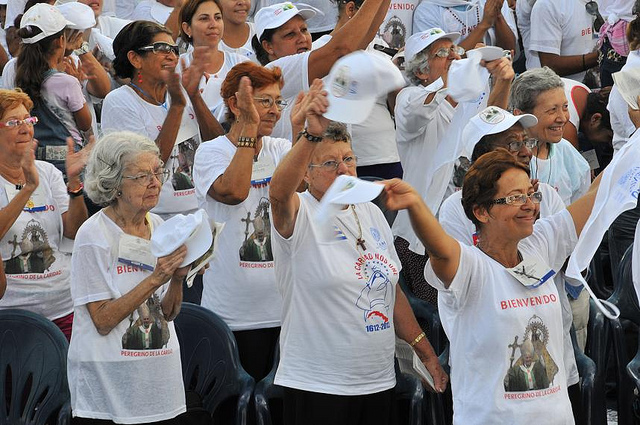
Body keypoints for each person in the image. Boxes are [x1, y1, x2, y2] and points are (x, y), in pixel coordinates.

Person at [268, 81, 448, 425]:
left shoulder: (370, 212)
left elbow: (391, 289)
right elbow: (278, 193)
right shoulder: (300, 212)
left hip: (378, 380)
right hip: (318, 385)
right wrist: (308, 136)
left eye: (349, 159)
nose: (344, 170)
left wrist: (425, 351)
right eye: (330, 164)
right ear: (307, 173)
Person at [379, 148, 602, 424]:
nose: (529, 205)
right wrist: (415, 204)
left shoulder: (540, 243)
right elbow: (440, 251)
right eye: (514, 197)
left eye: (530, 194)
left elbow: (597, 194)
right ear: (482, 212)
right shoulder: (470, 267)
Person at [68, 131, 189, 424]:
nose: (155, 183)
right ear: (114, 184)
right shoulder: (93, 235)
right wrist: (155, 279)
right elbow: (103, 321)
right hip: (110, 382)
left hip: (160, 379)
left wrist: (177, 279)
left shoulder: (159, 224)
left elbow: (169, 314)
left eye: (157, 172)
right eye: (141, 176)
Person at [393, 27, 513, 304]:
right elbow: (414, 112)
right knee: (442, 318)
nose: (455, 58)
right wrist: (455, 78)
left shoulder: (467, 100)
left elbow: (489, 132)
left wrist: (502, 81)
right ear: (422, 71)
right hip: (422, 238)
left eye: (455, 51)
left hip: (468, 229)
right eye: (443, 54)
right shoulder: (409, 97)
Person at [192, 62, 290, 380]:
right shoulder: (210, 152)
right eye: (265, 101)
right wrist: (248, 127)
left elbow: (305, 191)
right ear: (235, 104)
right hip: (232, 315)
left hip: (286, 311)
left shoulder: (280, 148)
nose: (275, 110)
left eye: (279, 101)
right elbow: (233, 192)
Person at [102, 20, 224, 219]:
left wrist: (194, 96)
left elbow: (218, 146)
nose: (172, 55)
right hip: (154, 217)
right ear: (135, 59)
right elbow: (146, 166)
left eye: (174, 49)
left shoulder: (182, 91)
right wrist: (177, 107)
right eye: (161, 48)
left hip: (201, 211)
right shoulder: (119, 101)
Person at [0, 88, 88, 340]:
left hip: (63, 306)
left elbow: (72, 230)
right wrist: (28, 188)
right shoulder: (34, 178)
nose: (25, 128)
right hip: (12, 314)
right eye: (14, 122)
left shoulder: (48, 172)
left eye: (28, 120)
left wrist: (74, 184)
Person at [252, 0, 391, 141]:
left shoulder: (318, 52)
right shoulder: (274, 72)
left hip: (336, 160)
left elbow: (366, 34)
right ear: (268, 46)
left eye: (304, 30)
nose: (302, 38)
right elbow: (341, 50)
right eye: (290, 35)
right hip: (303, 162)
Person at [15, 3, 94, 173]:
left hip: (33, 163)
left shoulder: (16, 74)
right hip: (69, 166)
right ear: (61, 41)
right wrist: (78, 86)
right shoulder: (67, 82)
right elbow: (86, 124)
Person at [178, 0, 249, 118]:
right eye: (204, 19)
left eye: (218, 18)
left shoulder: (242, 64)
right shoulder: (177, 67)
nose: (213, 24)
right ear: (187, 28)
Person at [528, 0, 598, 83]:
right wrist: (601, 56)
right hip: (563, 91)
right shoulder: (547, 4)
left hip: (603, 86)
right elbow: (550, 65)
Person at [412, 0, 517, 52]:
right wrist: (484, 25)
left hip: (494, 81)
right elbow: (443, 61)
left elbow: (510, 50)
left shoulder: (487, 1)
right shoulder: (427, 10)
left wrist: (498, 15)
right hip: (453, 88)